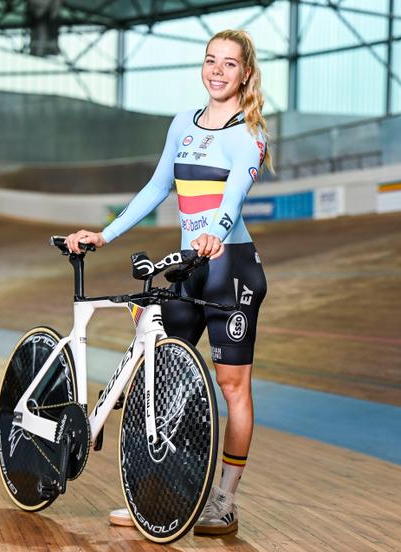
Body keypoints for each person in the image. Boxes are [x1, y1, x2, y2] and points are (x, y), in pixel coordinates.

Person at [65, 28, 271, 537]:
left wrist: (215, 234)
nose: (217, 71)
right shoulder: (183, 123)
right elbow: (157, 187)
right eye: (211, 60)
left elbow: (232, 198)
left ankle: (224, 501)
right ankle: (152, 496)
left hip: (229, 267)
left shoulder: (249, 134)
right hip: (188, 267)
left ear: (245, 73)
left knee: (232, 386)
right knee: (161, 375)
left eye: (229, 63)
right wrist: (106, 234)